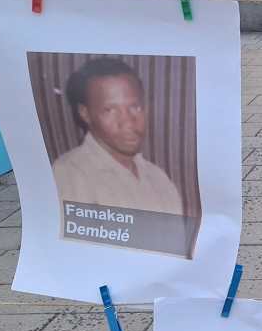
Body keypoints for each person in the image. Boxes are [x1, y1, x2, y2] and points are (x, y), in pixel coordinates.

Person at [51, 57, 182, 216]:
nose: (128, 122)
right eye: (110, 110)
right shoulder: (70, 174)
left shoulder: (158, 178)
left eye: (135, 107)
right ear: (85, 114)